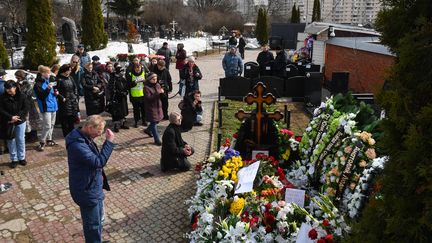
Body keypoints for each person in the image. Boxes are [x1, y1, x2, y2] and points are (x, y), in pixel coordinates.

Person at [66, 115, 114, 243]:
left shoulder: (84, 136)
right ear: (88, 127)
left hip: (93, 186)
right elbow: (98, 162)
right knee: (92, 225)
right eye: (98, 132)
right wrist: (108, 142)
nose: (99, 135)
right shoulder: (77, 145)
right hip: (86, 190)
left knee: (98, 220)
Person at [0, 80, 29, 168]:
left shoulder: (22, 96)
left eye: (10, 88)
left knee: (20, 139)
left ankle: (22, 158)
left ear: (15, 87)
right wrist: (10, 117)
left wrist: (17, 117)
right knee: (11, 140)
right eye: (6, 88)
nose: (8, 90)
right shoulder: (2, 97)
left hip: (20, 121)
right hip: (9, 121)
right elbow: (1, 110)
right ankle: (14, 159)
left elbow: (26, 108)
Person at [34, 65, 59, 152]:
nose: (49, 74)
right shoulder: (37, 84)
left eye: (49, 72)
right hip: (45, 107)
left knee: (52, 124)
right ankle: (42, 142)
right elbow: (41, 96)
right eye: (47, 73)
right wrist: (48, 88)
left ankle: (49, 139)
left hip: (53, 106)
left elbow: (51, 93)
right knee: (47, 125)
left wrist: (55, 93)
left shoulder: (49, 81)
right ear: (42, 74)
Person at [15, 70, 39, 142]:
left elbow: (27, 93)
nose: (17, 79)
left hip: (29, 103)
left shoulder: (28, 83)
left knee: (32, 120)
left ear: (22, 77)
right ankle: (28, 136)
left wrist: (20, 87)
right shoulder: (18, 83)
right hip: (24, 104)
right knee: (26, 120)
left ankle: (34, 136)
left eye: (18, 78)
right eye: (16, 78)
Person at [56, 64, 80, 137]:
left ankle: (72, 134)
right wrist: (62, 98)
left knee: (72, 119)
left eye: (70, 70)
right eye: (68, 70)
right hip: (64, 102)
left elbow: (75, 87)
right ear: (64, 70)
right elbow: (56, 91)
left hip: (72, 101)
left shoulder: (70, 78)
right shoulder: (58, 79)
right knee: (65, 119)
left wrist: (75, 95)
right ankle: (67, 135)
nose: (70, 71)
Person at [106, 63, 129, 133]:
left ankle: (122, 123)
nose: (121, 72)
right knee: (116, 111)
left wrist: (126, 91)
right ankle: (116, 125)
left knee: (123, 110)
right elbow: (111, 88)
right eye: (120, 70)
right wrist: (119, 93)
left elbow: (126, 85)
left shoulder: (122, 78)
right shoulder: (113, 78)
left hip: (123, 97)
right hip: (115, 98)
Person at [143, 72, 163, 145]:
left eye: (156, 79)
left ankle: (148, 130)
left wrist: (163, 92)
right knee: (154, 122)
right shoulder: (146, 88)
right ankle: (157, 139)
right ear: (149, 79)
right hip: (151, 107)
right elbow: (148, 98)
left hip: (158, 106)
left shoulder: (157, 85)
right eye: (153, 79)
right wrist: (158, 93)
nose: (155, 80)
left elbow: (160, 95)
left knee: (157, 121)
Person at [126, 59, 147, 128]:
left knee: (144, 109)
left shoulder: (144, 72)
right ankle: (136, 121)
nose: (138, 70)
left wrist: (145, 82)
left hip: (143, 95)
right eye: (136, 69)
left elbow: (148, 82)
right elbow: (128, 84)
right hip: (134, 95)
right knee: (136, 110)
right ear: (134, 68)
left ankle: (144, 120)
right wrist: (134, 83)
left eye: (139, 68)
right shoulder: (130, 74)